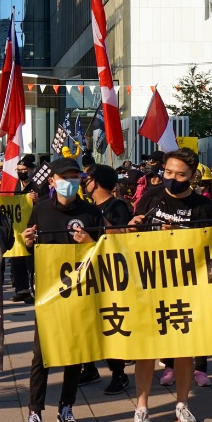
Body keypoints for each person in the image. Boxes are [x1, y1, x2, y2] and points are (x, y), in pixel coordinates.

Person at [125, 147, 212, 422]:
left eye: (180, 174)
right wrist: (132, 226)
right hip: (149, 283)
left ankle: (182, 403)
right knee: (146, 349)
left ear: (192, 177)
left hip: (184, 286)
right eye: (168, 172)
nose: (172, 178)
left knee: (183, 350)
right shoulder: (152, 196)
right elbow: (133, 234)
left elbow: (207, 245)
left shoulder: (201, 206)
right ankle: (141, 407)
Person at [17, 157, 94, 422]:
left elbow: (103, 250)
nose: (69, 182)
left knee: (73, 352)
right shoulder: (40, 209)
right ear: (52, 181)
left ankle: (67, 407)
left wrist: (89, 242)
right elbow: (31, 246)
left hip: (79, 294)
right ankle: (35, 412)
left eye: (75, 177)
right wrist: (27, 242)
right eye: (64, 177)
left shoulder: (89, 211)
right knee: (42, 355)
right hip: (49, 295)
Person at [74, 164, 133, 395]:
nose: (83, 183)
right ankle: (89, 368)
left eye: (86, 179)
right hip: (89, 272)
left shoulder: (116, 206)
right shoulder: (89, 208)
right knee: (86, 322)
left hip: (110, 273)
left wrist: (92, 238)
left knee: (108, 323)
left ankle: (119, 373)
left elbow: (120, 238)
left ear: (95, 182)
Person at [8, 154, 38, 303]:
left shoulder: (39, 185)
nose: (21, 172)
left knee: (31, 261)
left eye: (24, 169)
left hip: (33, 225)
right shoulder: (16, 185)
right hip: (18, 227)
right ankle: (22, 290)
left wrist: (37, 199)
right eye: (18, 169)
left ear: (31, 170)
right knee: (17, 259)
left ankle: (33, 289)